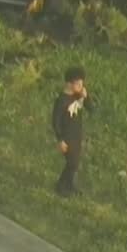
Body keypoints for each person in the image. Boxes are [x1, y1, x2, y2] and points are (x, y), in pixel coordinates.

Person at [51, 66, 90, 197]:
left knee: (74, 162)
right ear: (69, 84)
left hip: (77, 134)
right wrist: (60, 139)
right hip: (67, 136)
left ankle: (69, 185)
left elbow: (91, 108)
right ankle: (62, 185)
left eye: (82, 84)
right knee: (72, 162)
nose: (81, 86)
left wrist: (86, 97)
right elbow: (55, 121)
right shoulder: (62, 100)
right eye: (78, 84)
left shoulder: (78, 96)